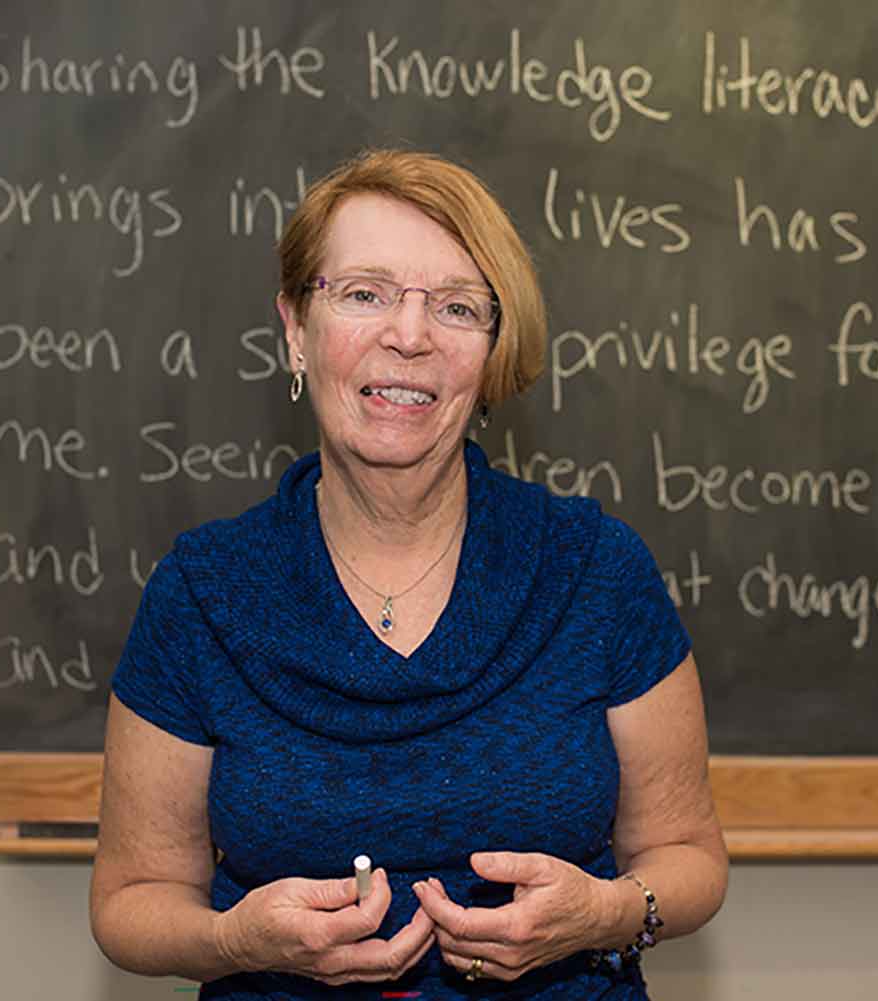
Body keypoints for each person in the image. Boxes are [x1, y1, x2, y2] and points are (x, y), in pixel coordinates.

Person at [90, 149, 728, 1000]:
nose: (410, 335)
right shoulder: (203, 594)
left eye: (457, 307)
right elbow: (131, 902)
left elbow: (688, 859)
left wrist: (606, 913)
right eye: (365, 293)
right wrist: (238, 939)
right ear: (294, 328)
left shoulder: (597, 571)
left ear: (493, 350)